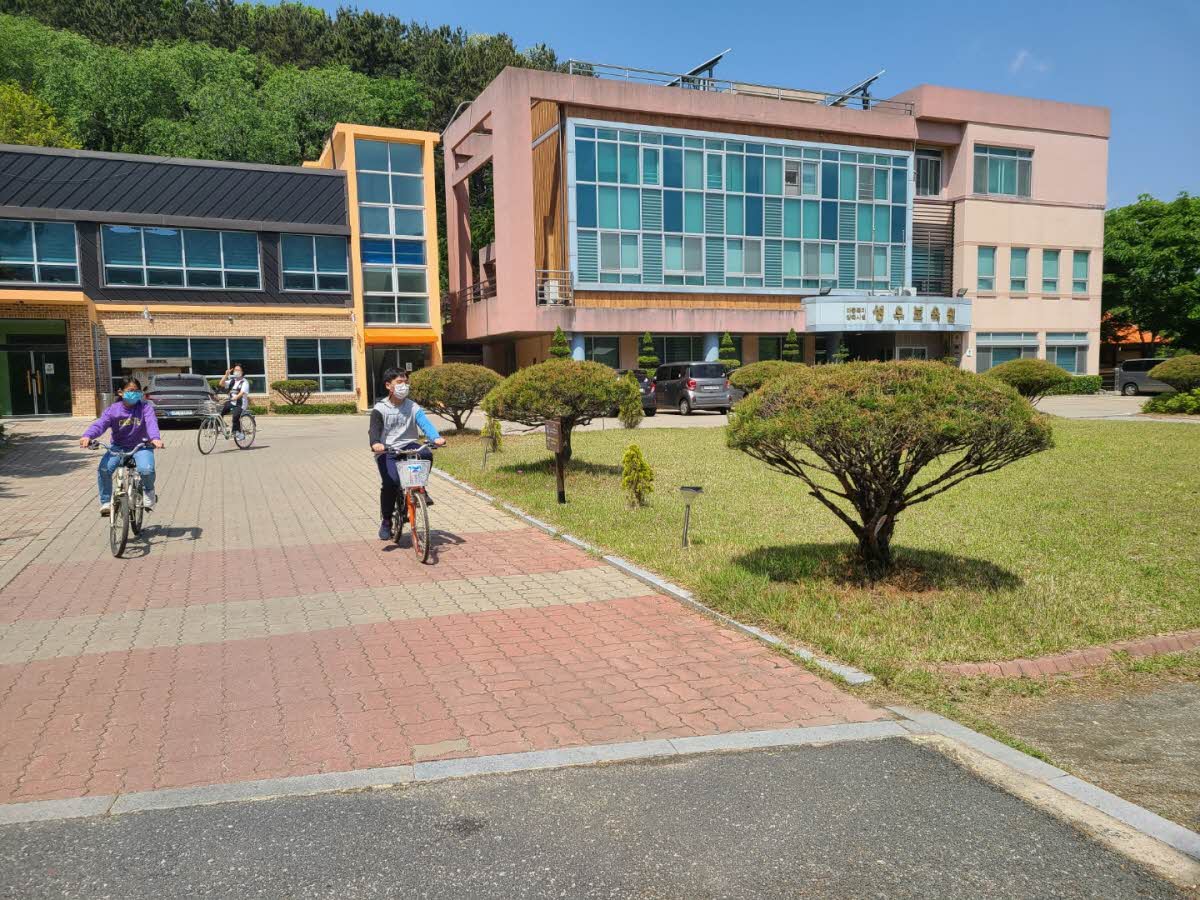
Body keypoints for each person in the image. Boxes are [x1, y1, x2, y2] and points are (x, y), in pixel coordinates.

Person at [369, 368, 445, 540]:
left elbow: (425, 423)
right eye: (399, 382)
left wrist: (435, 437)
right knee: (391, 483)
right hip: (387, 449)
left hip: (408, 445)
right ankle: (387, 521)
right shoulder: (380, 408)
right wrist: (376, 443)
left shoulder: (412, 406)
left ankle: (420, 488)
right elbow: (374, 429)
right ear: (388, 385)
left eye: (405, 382)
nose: (404, 385)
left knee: (426, 454)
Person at [79, 377, 164, 514]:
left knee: (146, 470)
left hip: (141, 446)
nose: (134, 394)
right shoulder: (113, 410)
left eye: (137, 391)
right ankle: (106, 502)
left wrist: (155, 439)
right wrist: (88, 435)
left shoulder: (145, 408)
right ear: (120, 392)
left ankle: (149, 491)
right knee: (104, 469)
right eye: (130, 391)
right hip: (119, 447)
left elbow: (151, 423)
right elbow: (100, 424)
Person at [220, 364, 250, 439]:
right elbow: (221, 384)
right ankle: (222, 428)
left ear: (242, 372)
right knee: (221, 412)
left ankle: (237, 432)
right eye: (235, 370)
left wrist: (235, 398)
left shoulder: (244, 382)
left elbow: (241, 393)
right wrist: (226, 375)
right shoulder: (232, 381)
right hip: (231, 402)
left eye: (238, 370)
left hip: (240, 404)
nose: (236, 371)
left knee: (235, 416)